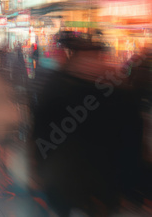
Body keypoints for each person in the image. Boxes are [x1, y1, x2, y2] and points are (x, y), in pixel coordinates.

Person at [31, 32, 144, 216]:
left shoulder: (59, 83)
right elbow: (132, 136)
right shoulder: (119, 87)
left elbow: (42, 123)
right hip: (105, 175)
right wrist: (131, 182)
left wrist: (40, 161)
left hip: (65, 172)